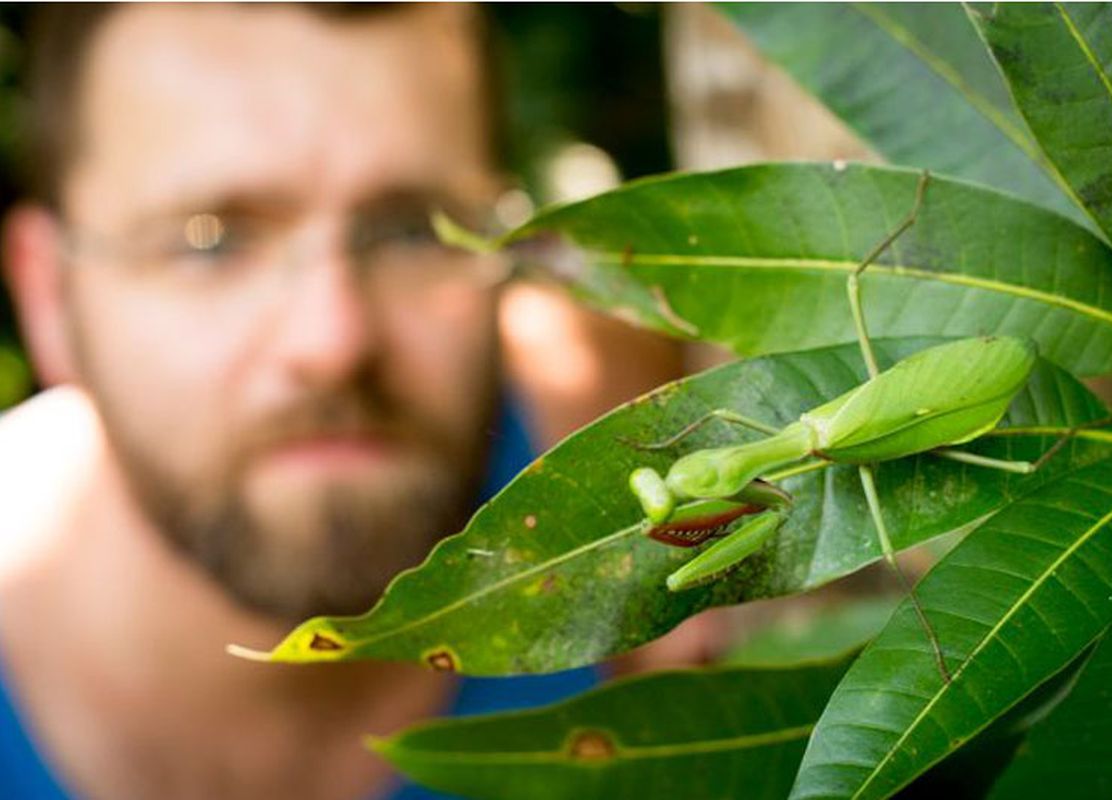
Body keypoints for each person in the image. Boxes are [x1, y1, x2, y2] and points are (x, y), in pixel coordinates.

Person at [0, 4, 686, 799]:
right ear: (50, 297)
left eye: (414, 231)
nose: (333, 342)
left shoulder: (612, 461)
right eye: (211, 240)